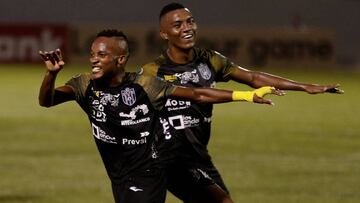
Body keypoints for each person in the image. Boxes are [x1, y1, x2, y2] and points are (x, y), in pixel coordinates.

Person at [38, 29, 284, 203]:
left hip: (151, 171)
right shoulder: (84, 85)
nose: (94, 59)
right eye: (92, 53)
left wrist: (247, 96)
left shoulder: (145, 85)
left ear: (121, 59)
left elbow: (197, 94)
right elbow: (46, 101)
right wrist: (51, 75)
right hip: (123, 175)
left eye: (102, 55)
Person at [141, 3, 344, 203]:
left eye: (190, 22)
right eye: (178, 25)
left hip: (199, 156)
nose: (187, 28)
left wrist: (304, 86)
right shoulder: (153, 71)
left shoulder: (210, 60)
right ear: (164, 34)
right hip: (169, 158)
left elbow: (253, 77)